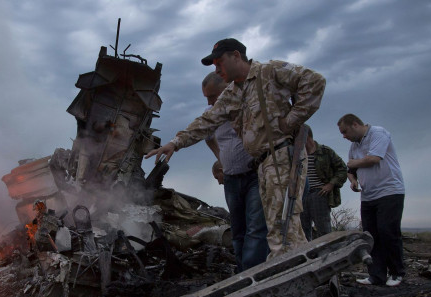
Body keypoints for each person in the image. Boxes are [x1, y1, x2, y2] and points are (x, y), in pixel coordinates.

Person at [146, 38, 326, 258]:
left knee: (282, 227)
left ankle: (287, 280)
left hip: (281, 155)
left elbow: (315, 81)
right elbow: (206, 121)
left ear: (236, 56)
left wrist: (290, 121)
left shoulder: (269, 71)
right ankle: (302, 275)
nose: (216, 68)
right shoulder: (233, 93)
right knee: (281, 229)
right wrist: (175, 143)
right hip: (263, 164)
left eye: (219, 62)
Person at [203, 72, 268, 271]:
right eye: (206, 97)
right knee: (238, 230)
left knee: (256, 227)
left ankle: (253, 275)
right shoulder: (211, 112)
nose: (210, 101)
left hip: (254, 175)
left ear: (228, 88)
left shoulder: (247, 104)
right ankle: (242, 273)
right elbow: (207, 137)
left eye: (213, 96)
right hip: (231, 178)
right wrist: (221, 159)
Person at [338, 113, 405, 287]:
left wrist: (353, 164)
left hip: (389, 192)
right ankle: (376, 275)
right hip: (368, 195)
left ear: (355, 124)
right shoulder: (354, 145)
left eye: (345, 131)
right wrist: (352, 180)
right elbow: (350, 169)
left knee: (388, 231)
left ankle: (397, 272)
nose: (344, 136)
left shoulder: (378, 133)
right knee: (370, 236)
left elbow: (374, 159)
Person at [300, 126, 347, 240]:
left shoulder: (325, 152)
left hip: (319, 194)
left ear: (307, 137)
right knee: (302, 230)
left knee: (324, 229)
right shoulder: (298, 155)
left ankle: (329, 254)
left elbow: (342, 169)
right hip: (301, 195)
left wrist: (331, 184)